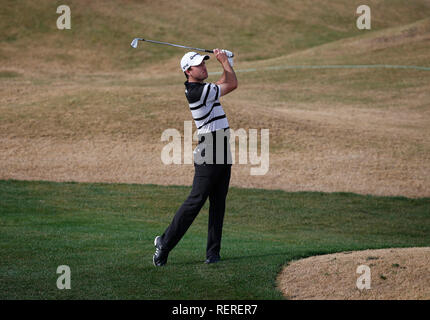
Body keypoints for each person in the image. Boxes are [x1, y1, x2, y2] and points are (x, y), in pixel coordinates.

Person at [153, 49, 238, 266]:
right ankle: (164, 243)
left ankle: (213, 254)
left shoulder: (204, 88)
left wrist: (228, 63)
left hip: (221, 148)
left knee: (218, 203)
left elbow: (222, 82)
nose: (203, 66)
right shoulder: (195, 91)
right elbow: (231, 84)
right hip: (209, 150)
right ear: (188, 71)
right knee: (195, 201)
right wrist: (225, 62)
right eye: (199, 65)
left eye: (204, 63)